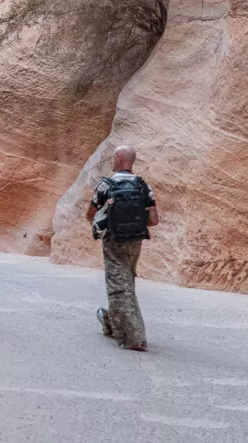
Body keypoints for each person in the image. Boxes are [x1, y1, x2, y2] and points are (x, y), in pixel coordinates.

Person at [85, 145, 159, 352]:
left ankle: (134, 337)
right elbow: (153, 220)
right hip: (135, 241)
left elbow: (90, 214)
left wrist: (107, 219)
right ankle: (110, 321)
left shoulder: (105, 185)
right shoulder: (144, 186)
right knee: (126, 280)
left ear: (118, 158)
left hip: (113, 241)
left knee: (118, 285)